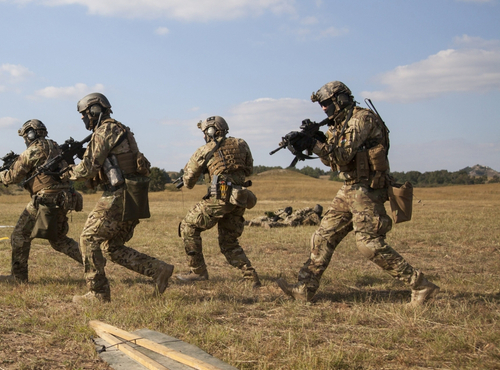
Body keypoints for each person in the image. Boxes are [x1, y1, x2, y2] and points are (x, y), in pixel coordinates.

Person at [276, 81, 439, 306]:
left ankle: (421, 285)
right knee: (323, 236)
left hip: (368, 189)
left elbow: (341, 155)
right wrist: (317, 141)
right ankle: (304, 288)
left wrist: (313, 143)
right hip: (350, 187)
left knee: (368, 242)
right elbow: (330, 160)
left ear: (339, 99)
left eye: (326, 103)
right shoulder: (340, 124)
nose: (323, 109)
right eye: (321, 105)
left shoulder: (361, 119)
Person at [63, 92, 174, 303]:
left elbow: (87, 169)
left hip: (119, 193)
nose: (82, 118)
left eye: (84, 113)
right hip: (134, 192)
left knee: (88, 239)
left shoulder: (105, 130)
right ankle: (158, 269)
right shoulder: (119, 128)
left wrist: (67, 171)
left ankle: (98, 293)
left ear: (95, 110)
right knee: (112, 247)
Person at [0, 119, 84, 283]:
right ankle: (93, 262)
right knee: (59, 239)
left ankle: (18, 278)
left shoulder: (31, 151)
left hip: (45, 199)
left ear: (29, 134)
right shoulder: (55, 147)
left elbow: (11, 177)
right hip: (66, 197)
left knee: (19, 235)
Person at [175, 116, 261, 288]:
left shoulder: (204, 150)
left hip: (220, 198)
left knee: (188, 226)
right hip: (239, 198)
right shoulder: (241, 144)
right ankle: (250, 276)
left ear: (210, 131)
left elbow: (189, 181)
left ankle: (198, 272)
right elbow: (249, 170)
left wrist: (188, 178)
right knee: (229, 242)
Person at [247, 205, 323, 228]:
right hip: (295, 220)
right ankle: (269, 225)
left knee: (278, 220)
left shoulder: (307, 210)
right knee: (284, 224)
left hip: (293, 216)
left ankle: (255, 223)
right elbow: (320, 223)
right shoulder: (314, 215)